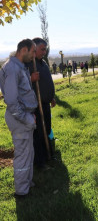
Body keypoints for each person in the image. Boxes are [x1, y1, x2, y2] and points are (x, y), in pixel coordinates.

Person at [0, 39, 38, 197]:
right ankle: (22, 192)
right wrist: (27, 118)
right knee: (22, 154)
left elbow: (22, 91)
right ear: (24, 50)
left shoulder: (20, 67)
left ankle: (27, 184)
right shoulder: (12, 68)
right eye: (33, 51)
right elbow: (11, 101)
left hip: (25, 117)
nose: (34, 56)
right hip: (19, 119)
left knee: (29, 152)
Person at [26, 38, 56, 168]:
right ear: (34, 49)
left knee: (47, 129)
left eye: (45, 49)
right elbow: (21, 83)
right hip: (36, 105)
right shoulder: (29, 64)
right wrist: (30, 78)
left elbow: (47, 81)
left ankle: (48, 154)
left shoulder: (42, 63)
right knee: (38, 134)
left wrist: (51, 97)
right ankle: (40, 161)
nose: (44, 51)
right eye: (42, 49)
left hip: (45, 103)